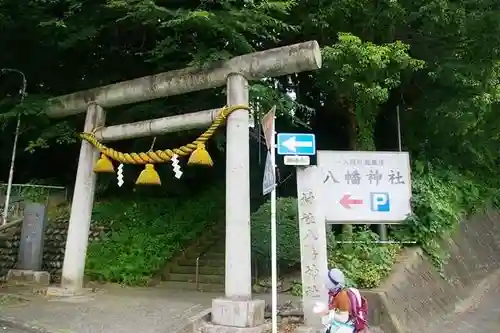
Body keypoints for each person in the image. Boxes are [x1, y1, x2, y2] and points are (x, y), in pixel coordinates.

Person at [314, 268, 369, 333]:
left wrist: (328, 313)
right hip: (339, 325)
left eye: (326, 279)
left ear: (330, 283)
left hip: (347, 327)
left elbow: (344, 319)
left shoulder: (342, 296)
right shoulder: (334, 293)